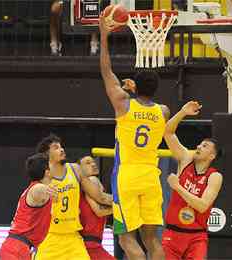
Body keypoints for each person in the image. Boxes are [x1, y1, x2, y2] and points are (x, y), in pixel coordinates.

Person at [99, 14, 170, 260]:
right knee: (152, 240)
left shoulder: (123, 104)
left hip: (126, 176)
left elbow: (106, 71)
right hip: (151, 175)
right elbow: (147, 102)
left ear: (134, 87)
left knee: (126, 237)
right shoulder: (163, 111)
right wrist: (136, 90)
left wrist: (104, 36)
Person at [34, 134, 113, 260]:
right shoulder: (42, 177)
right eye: (56, 147)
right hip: (49, 238)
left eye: (61, 146)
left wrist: (122, 201)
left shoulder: (75, 169)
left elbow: (100, 197)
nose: (61, 149)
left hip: (73, 238)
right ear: (46, 155)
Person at [162, 101, 223, 260]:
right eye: (200, 144)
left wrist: (178, 187)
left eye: (204, 146)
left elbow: (202, 206)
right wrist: (182, 112)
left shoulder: (214, 176)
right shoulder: (186, 159)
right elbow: (168, 133)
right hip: (172, 233)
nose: (198, 146)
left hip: (196, 237)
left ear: (212, 156)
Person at [0, 153, 56, 260]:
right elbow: (41, 189)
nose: (55, 166)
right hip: (16, 247)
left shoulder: (34, 188)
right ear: (47, 172)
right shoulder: (38, 188)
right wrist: (50, 190)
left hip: (22, 248)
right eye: (52, 164)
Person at [79, 155, 115, 260]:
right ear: (79, 169)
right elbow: (99, 211)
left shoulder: (84, 185)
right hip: (90, 245)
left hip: (88, 243)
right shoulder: (92, 180)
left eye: (93, 162)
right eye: (88, 163)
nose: (93, 164)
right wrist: (124, 207)